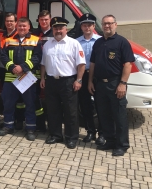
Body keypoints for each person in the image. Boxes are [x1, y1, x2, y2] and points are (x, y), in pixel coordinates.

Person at [88, 15, 135, 156]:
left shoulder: (122, 42)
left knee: (119, 116)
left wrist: (123, 84)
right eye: (104, 24)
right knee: (104, 115)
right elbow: (93, 64)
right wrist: (90, 81)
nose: (107, 26)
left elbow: (128, 64)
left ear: (115, 24)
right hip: (100, 85)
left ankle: (122, 145)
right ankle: (110, 141)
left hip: (116, 84)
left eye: (109, 23)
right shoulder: (98, 42)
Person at [40, 17, 85, 149]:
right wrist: (42, 78)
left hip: (68, 82)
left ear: (66, 29)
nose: (58, 30)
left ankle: (71, 137)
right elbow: (43, 63)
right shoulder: (48, 44)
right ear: (53, 29)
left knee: (70, 111)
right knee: (53, 110)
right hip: (51, 81)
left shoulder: (74, 43)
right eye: (55, 28)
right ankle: (55, 135)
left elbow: (81, 64)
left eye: (61, 28)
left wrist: (79, 80)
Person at [0, 17, 42, 140]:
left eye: (24, 26)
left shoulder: (35, 40)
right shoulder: (8, 40)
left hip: (27, 77)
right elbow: (3, 56)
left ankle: (30, 129)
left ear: (29, 27)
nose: (22, 28)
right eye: (20, 26)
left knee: (30, 104)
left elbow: (37, 57)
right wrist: (12, 67)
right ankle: (8, 126)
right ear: (17, 27)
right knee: (8, 103)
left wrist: (22, 67)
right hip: (10, 77)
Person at [76, 13, 104, 145]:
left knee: (100, 105)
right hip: (83, 74)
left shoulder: (101, 41)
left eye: (90, 25)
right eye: (84, 25)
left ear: (94, 26)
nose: (87, 27)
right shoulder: (76, 42)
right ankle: (90, 131)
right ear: (81, 27)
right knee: (85, 105)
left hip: (97, 75)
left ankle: (102, 133)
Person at [31, 10, 53, 132]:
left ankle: (52, 125)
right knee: (35, 98)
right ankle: (40, 125)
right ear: (38, 21)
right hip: (36, 71)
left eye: (46, 19)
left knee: (51, 99)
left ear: (50, 19)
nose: (44, 22)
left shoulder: (55, 33)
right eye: (41, 20)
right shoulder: (34, 33)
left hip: (50, 71)